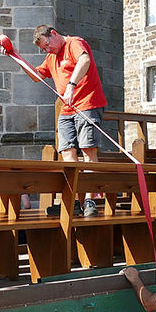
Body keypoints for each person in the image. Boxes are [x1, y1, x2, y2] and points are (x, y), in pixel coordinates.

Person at [33, 25, 107, 217]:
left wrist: (71, 86)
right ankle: (72, 200)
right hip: (66, 111)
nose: (48, 50)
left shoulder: (74, 43)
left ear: (54, 34)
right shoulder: (51, 57)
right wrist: (14, 55)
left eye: (48, 44)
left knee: (88, 150)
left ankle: (90, 200)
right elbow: (36, 76)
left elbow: (85, 60)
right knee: (67, 152)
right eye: (44, 49)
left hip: (87, 104)